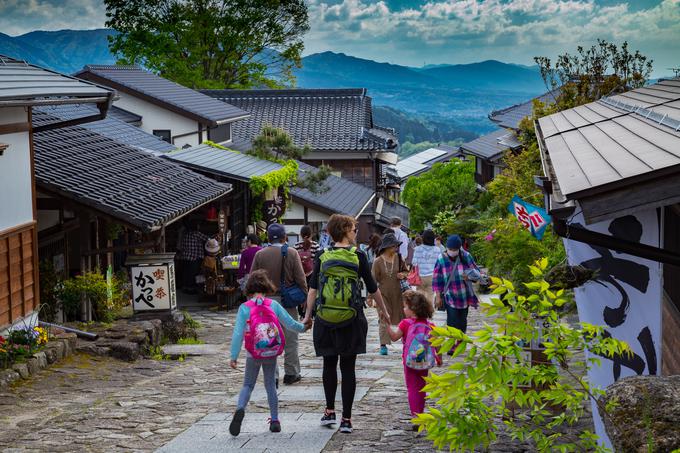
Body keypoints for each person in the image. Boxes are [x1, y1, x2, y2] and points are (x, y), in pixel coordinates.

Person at [301, 214, 390, 434]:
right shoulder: (358, 255)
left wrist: (308, 316)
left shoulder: (322, 255)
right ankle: (347, 419)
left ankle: (329, 411)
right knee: (348, 368)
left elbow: (313, 289)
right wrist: (384, 311)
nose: (355, 233)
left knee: (329, 365)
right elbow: (372, 287)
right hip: (351, 318)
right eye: (353, 229)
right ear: (344, 230)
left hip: (326, 318)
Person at [228, 270, 307, 436]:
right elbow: (290, 323)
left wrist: (233, 356)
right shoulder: (273, 305)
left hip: (253, 352)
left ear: (249, 288)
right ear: (266, 287)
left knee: (248, 385)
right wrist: (304, 327)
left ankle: (241, 408)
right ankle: (275, 420)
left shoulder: (244, 308)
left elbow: (237, 333)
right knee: (270, 384)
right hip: (270, 351)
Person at [251, 223, 308, 385]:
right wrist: (305, 297)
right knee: (291, 338)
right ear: (284, 237)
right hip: (287, 302)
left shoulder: (260, 255)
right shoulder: (291, 253)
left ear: (268, 237)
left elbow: (252, 281)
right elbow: (300, 278)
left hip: (266, 303)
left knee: (268, 339)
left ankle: (272, 376)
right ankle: (291, 373)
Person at [387, 290, 441, 424]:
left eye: (405, 306)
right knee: (422, 387)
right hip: (424, 362)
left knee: (412, 388)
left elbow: (394, 337)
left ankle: (415, 417)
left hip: (409, 362)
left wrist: (386, 325)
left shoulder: (405, 323)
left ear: (413, 309)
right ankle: (421, 414)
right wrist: (439, 357)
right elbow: (437, 344)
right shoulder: (431, 326)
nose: (404, 309)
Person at [432, 234, 481, 335]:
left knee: (462, 321)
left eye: (455, 249)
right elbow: (437, 279)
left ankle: (459, 341)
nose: (452, 251)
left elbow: (476, 272)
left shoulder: (466, 256)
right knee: (452, 321)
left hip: (464, 295)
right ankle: (452, 345)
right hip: (450, 295)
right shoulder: (441, 258)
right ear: (447, 248)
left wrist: (469, 277)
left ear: (459, 248)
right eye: (450, 249)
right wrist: (438, 296)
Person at [372, 233, 408, 355]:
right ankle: (383, 345)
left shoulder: (399, 258)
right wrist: (370, 297)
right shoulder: (377, 261)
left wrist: (403, 274)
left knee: (404, 318)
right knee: (383, 317)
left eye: (397, 246)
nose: (396, 248)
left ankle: (406, 341)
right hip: (383, 295)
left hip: (399, 294)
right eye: (394, 246)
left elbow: (406, 272)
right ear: (387, 247)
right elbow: (372, 280)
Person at [176, 221, 209, 294]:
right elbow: (208, 239)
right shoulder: (197, 234)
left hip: (185, 257)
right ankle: (191, 289)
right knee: (193, 273)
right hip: (194, 258)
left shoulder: (186, 234)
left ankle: (186, 287)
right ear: (196, 227)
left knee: (187, 273)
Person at [410, 230, 441, 305]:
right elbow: (439, 264)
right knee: (430, 295)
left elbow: (414, 263)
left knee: (420, 295)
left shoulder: (417, 249)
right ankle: (429, 314)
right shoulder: (437, 249)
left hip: (420, 276)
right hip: (432, 276)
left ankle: (420, 314)